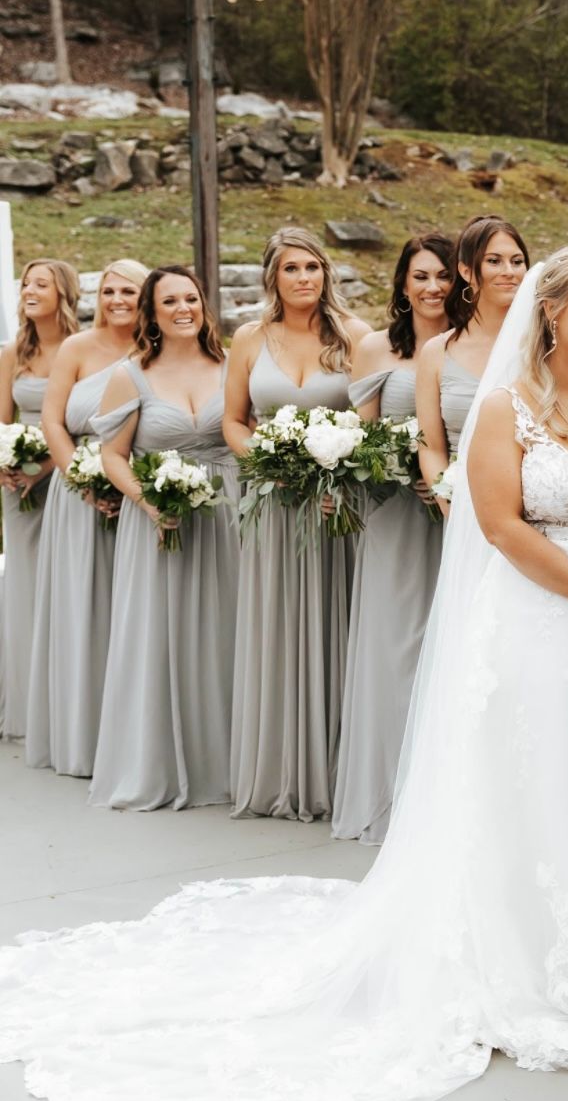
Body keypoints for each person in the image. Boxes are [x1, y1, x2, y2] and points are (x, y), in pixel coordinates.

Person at [0, 247, 568, 1101]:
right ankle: (544, 957)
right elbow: (498, 525)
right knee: (549, 787)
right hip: (548, 623)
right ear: (553, 311)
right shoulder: (506, 407)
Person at [223, 227, 370, 820]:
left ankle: (340, 771)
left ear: (325, 273)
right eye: (291, 268)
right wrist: (268, 464)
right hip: (275, 506)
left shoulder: (354, 335)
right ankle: (283, 770)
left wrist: (340, 478)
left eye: (312, 267)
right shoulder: (249, 338)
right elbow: (234, 421)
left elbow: (371, 423)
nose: (304, 278)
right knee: (277, 625)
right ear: (273, 277)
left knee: (340, 622)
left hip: (337, 507)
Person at [90, 268, 239, 811]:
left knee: (228, 629)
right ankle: (161, 765)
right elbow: (112, 455)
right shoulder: (130, 375)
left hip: (228, 515)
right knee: (159, 636)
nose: (183, 309)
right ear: (151, 313)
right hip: (157, 520)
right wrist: (149, 501)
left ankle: (231, 762)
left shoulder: (230, 366)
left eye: (191, 298)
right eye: (170, 301)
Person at [332, 232, 455, 844]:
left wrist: (450, 481)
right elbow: (363, 438)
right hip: (396, 514)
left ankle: (448, 798)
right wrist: (406, 471)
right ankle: (389, 796)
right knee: (396, 647)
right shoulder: (375, 347)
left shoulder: (472, 344)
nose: (433, 287)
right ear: (403, 284)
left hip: (464, 513)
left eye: (443, 275)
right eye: (420, 276)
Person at [27, 260, 148, 777]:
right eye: (109, 291)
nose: (117, 300)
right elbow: (53, 421)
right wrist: (85, 478)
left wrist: (127, 483)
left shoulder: (155, 350)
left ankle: (133, 737)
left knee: (133, 612)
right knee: (85, 609)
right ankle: (84, 739)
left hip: (140, 492)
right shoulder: (76, 349)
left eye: (129, 291)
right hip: (77, 493)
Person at [0, 259, 80, 742]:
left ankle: (66, 702)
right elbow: (2, 421)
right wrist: (7, 465)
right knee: (26, 586)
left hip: (68, 478)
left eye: (41, 284)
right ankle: (28, 706)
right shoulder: (12, 353)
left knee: (67, 585)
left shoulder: (81, 348)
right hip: (18, 486)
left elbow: (83, 424)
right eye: (26, 283)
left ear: (63, 294)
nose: (29, 290)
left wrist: (48, 465)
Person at [415, 214, 530, 494]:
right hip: (460, 502)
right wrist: (448, 504)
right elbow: (430, 448)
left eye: (517, 261)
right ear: (466, 271)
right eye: (494, 261)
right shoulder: (437, 352)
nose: (509, 271)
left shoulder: (545, 346)